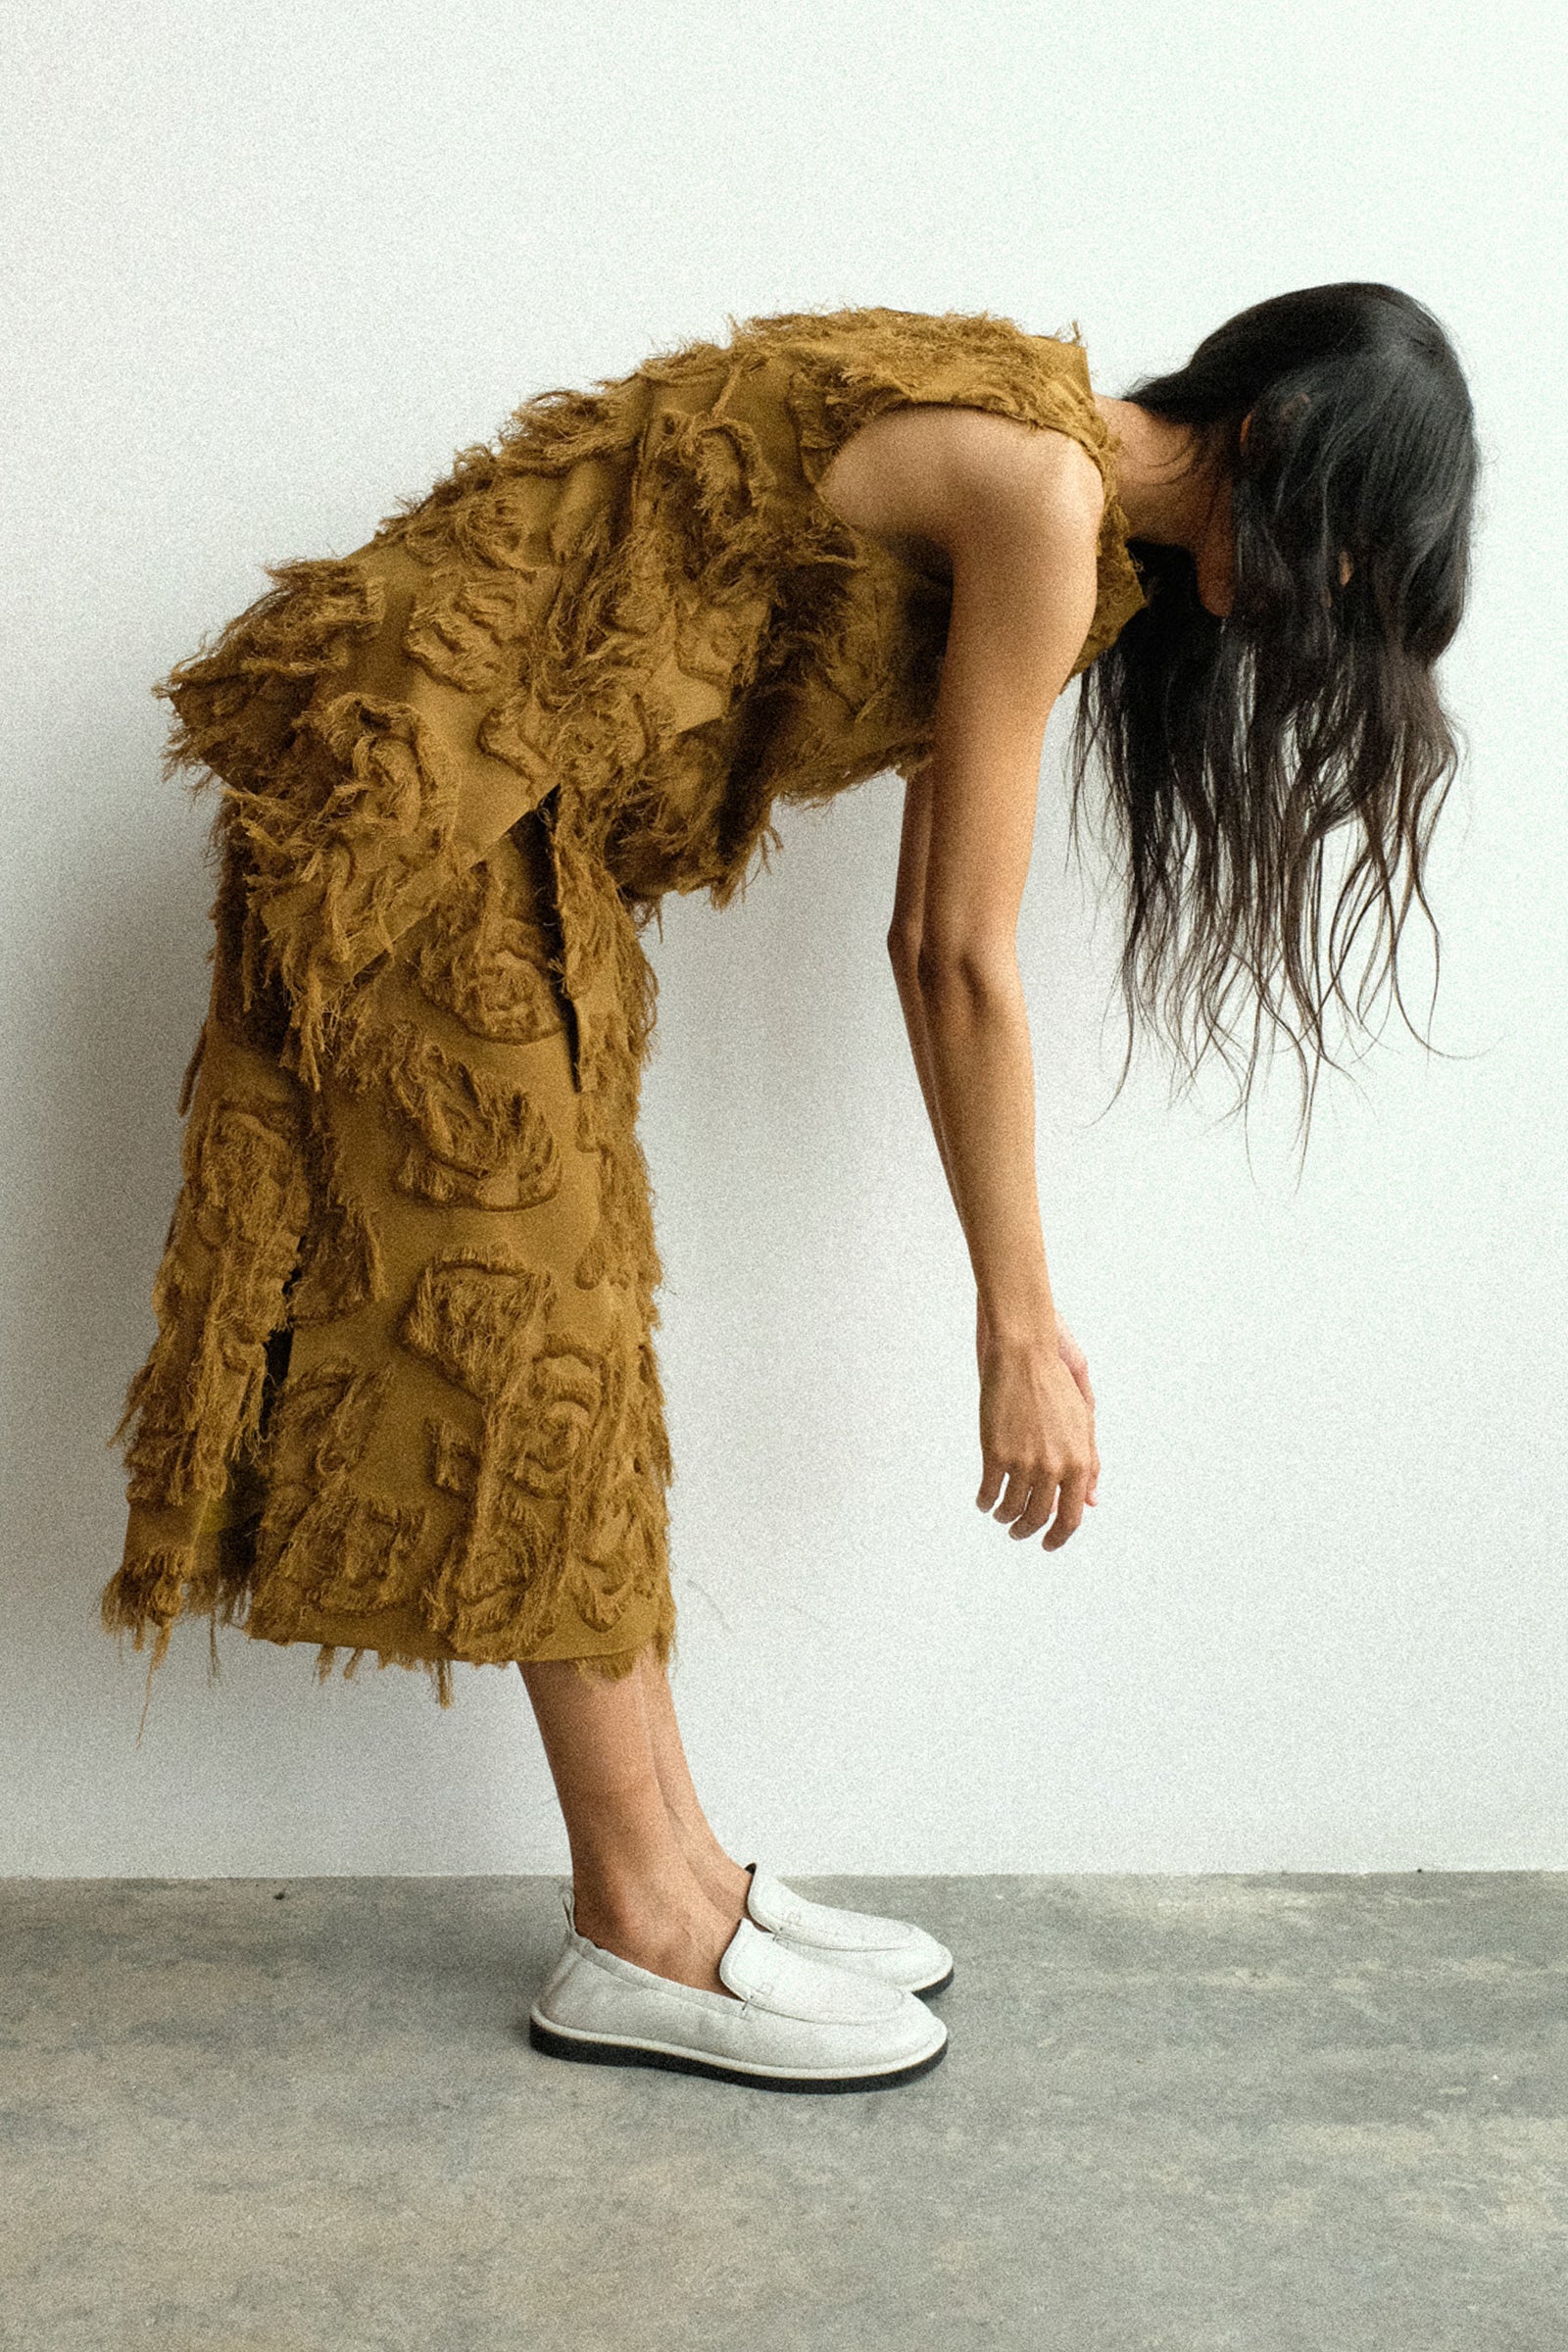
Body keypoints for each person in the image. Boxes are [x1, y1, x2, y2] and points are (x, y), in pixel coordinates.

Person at [100, 286, 1478, 2091]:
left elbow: (924, 917)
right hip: (431, 803)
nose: (1354, 617)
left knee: (570, 1329)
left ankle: (687, 1878)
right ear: (1284, 452)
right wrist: (1023, 1328)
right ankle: (636, 1929)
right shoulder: (1048, 500)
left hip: (486, 803)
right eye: (1368, 566)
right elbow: (953, 957)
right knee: (527, 1340)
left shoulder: (1047, 473)